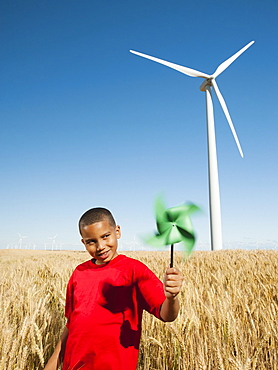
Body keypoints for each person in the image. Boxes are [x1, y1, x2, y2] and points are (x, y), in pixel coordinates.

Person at [44, 207, 183, 370]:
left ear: (117, 231)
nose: (100, 246)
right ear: (83, 242)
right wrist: (51, 366)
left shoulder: (135, 271)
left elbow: (167, 315)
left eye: (105, 236)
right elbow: (71, 326)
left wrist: (172, 297)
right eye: (91, 241)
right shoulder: (79, 273)